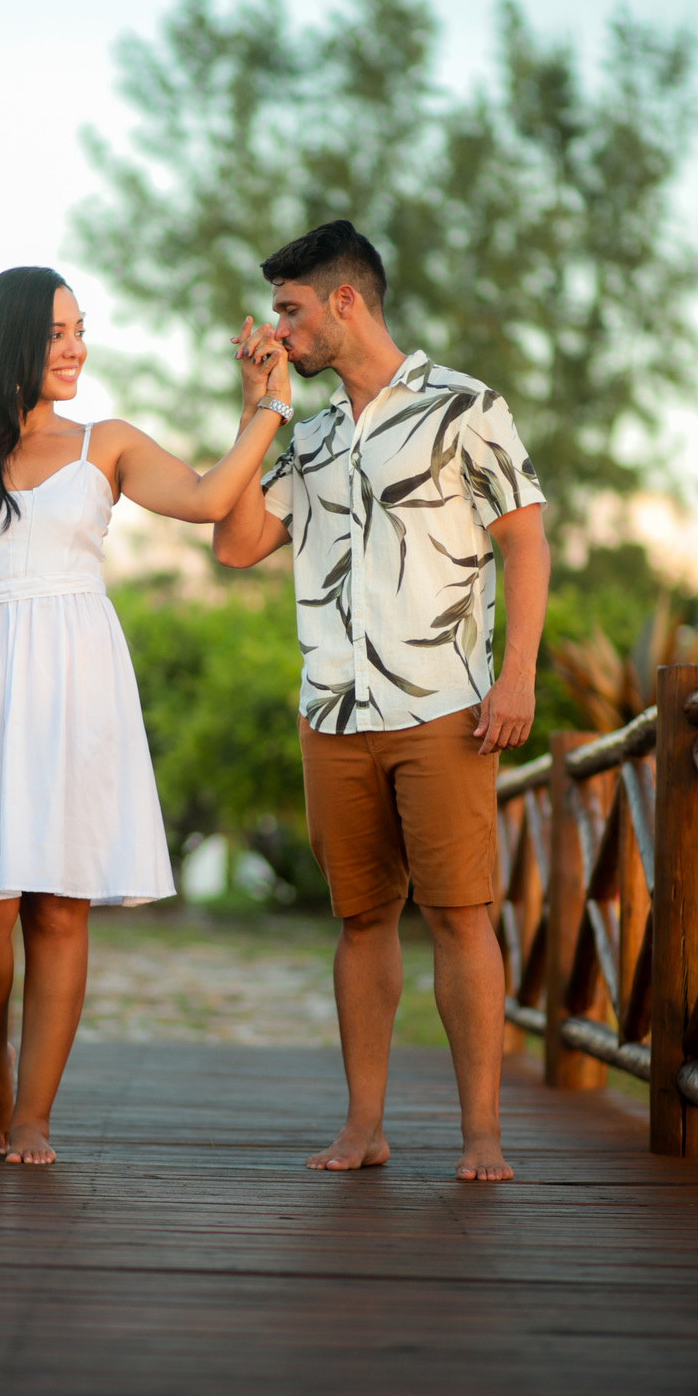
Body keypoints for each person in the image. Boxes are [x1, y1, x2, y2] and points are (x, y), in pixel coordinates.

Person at [0, 266, 291, 1165]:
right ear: (12, 342)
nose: (77, 348)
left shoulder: (105, 443)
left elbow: (208, 500)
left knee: (60, 911)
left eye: (80, 330)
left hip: (76, 687)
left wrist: (265, 406)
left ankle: (34, 1112)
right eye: (58, 333)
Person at [214, 221, 549, 1181]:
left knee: (458, 914)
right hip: (334, 714)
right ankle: (364, 1127)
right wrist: (258, 410)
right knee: (361, 921)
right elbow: (235, 545)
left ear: (344, 302)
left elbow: (525, 540)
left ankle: (480, 1133)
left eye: (289, 311)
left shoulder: (465, 407)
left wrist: (516, 674)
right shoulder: (308, 438)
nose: (277, 332)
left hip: (445, 705)